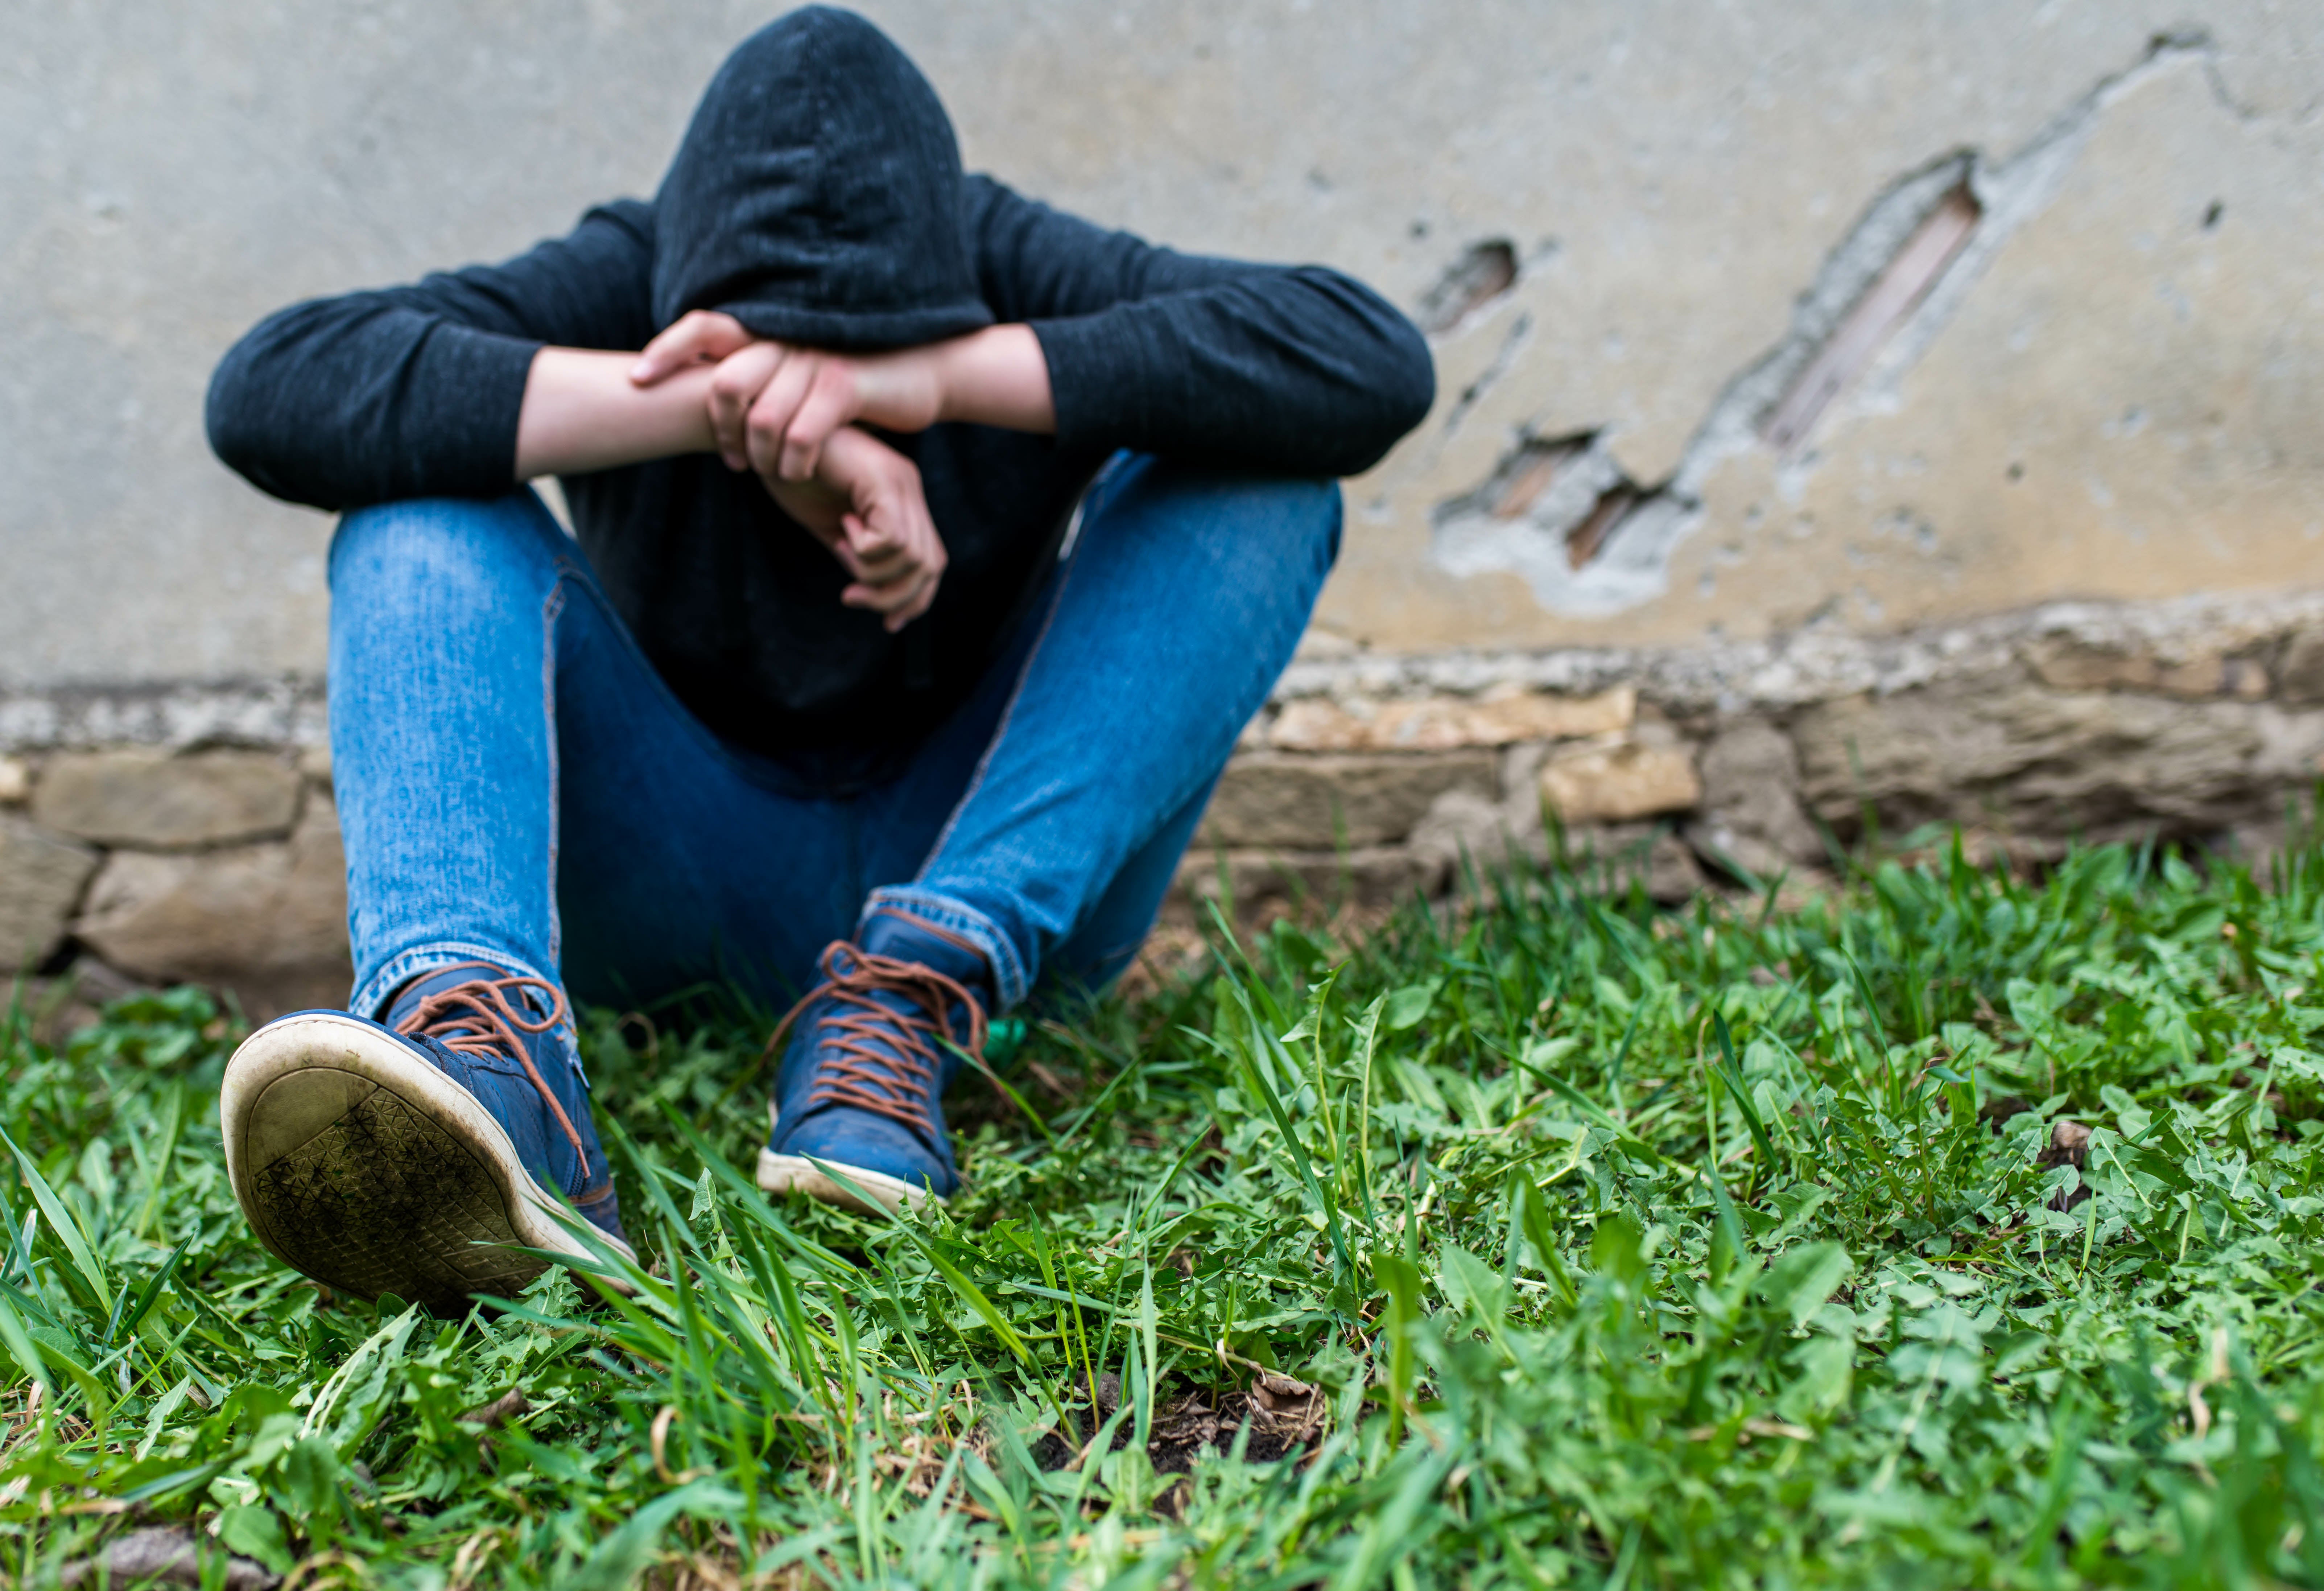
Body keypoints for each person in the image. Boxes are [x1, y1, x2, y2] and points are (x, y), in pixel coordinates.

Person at [204, 6, 1432, 1315]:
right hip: (679, 883)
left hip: (990, 884)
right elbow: (268, 388)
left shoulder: (1005, 251)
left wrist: (940, 380)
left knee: (1266, 487)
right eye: (786, 353)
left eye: (856, 349)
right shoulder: (630, 266)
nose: (818, 387)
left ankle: (907, 1000)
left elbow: (1365, 357)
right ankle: (488, 1061)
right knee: (416, 518)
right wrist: (708, 403)